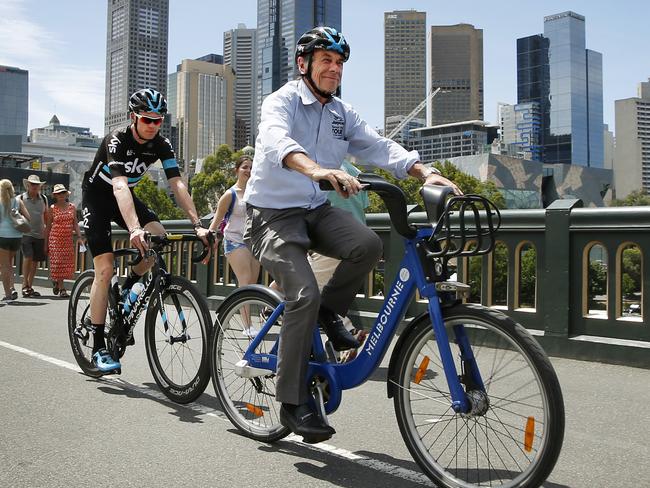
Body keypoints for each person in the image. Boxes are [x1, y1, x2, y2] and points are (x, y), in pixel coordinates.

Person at [243, 26, 461, 444]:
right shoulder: (281, 101)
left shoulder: (342, 113)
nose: (334, 68)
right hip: (271, 214)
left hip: (314, 209)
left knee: (367, 244)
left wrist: (425, 171)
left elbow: (380, 148)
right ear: (304, 64)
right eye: (326, 59)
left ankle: (330, 312)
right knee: (302, 293)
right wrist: (317, 169)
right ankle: (292, 402)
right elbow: (275, 141)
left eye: (340, 62)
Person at [81, 88, 211, 374]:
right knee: (104, 269)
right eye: (147, 120)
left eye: (158, 120)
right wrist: (134, 229)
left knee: (159, 239)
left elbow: (177, 184)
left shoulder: (161, 144)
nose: (153, 125)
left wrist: (198, 225)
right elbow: (119, 186)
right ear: (133, 117)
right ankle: (98, 347)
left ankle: (127, 291)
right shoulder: (116, 140)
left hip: (126, 197)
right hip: (100, 198)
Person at [206, 156, 261, 338]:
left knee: (251, 284)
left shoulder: (257, 191)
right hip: (234, 240)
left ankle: (228, 312)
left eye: (252, 168)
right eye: (245, 167)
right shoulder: (230, 194)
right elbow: (216, 220)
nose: (248, 170)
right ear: (237, 170)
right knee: (245, 280)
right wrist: (210, 238)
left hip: (254, 241)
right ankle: (247, 326)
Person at [47, 184, 83, 298]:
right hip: (55, 239)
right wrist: (45, 243)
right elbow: (48, 226)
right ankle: (62, 288)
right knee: (57, 263)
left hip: (67, 239)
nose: (61, 195)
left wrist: (79, 237)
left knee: (65, 263)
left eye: (62, 193)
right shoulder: (52, 208)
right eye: (58, 194)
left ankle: (58, 282)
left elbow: (75, 223)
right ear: (55, 196)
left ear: (66, 194)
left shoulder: (72, 207)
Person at [18, 174, 50, 297]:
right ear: (28, 185)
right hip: (25, 233)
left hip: (40, 234)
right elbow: (14, 214)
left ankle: (30, 286)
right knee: (28, 257)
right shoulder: (20, 198)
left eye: (37, 185)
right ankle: (24, 285)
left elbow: (46, 216)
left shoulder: (44, 198)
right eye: (33, 184)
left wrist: (47, 230)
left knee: (35, 261)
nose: (35, 187)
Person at [0, 179, 30, 302]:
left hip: (2, 236)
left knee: (5, 266)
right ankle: (11, 288)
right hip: (17, 237)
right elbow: (28, 218)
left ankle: (8, 295)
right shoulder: (18, 201)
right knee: (9, 264)